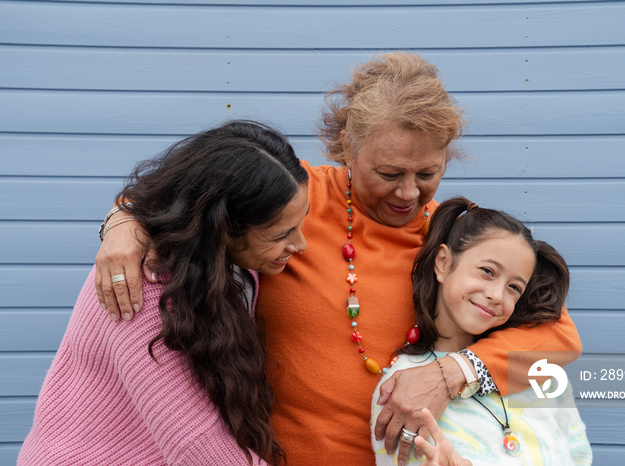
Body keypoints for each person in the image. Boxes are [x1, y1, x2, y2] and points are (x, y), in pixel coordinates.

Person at [93, 52, 583, 465]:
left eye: (428, 172)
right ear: (347, 144)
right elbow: (181, 200)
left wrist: (450, 373)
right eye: (389, 172)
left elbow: (559, 337)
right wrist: (124, 226)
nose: (408, 192)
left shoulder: (458, 239)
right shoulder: (294, 200)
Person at [18, 120, 309, 465]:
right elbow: (199, 447)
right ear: (222, 228)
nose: (301, 244)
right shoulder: (141, 288)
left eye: (301, 223)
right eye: (280, 235)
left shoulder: (230, 264)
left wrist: (121, 217)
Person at [371, 197, 593, 465]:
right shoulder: (403, 389)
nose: (498, 295)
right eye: (488, 271)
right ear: (443, 262)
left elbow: (579, 454)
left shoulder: (538, 370)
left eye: (514, 288)